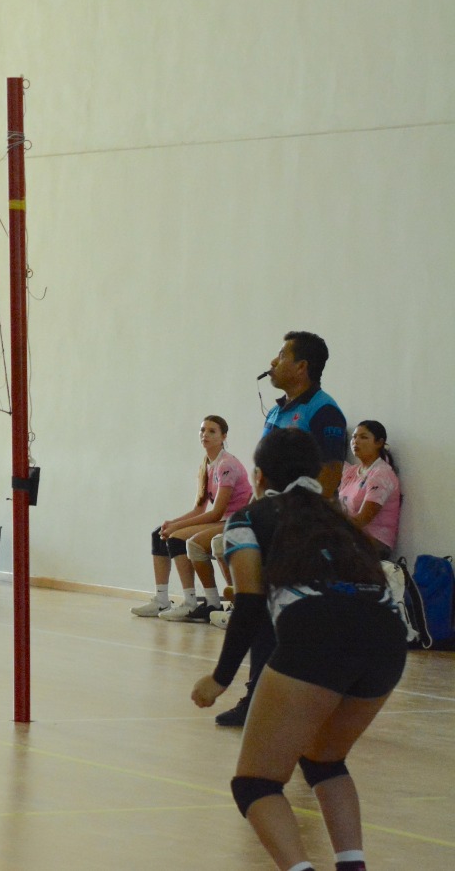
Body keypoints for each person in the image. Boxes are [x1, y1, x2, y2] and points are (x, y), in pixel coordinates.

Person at [191, 428, 403, 871]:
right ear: (317, 473)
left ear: (259, 474)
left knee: (255, 784)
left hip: (318, 634)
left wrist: (220, 678)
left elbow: (248, 602)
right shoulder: (341, 518)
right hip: (387, 638)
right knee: (326, 760)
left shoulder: (247, 520)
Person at [218, 330, 349, 727]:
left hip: (301, 532)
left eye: (280, 356)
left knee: (293, 621)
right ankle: (260, 696)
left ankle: (302, 701)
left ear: (302, 366)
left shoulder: (324, 412)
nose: (272, 363)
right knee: (263, 618)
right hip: (270, 524)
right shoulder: (277, 411)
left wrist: (294, 525)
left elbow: (328, 478)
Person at [131, 416, 251, 622]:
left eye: (212, 431)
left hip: (234, 521)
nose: (205, 434)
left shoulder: (226, 465)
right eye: (202, 430)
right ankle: (161, 599)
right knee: (159, 533)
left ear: (224, 436)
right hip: (220, 520)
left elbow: (216, 512)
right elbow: (199, 509)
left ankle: (192, 602)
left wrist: (177, 527)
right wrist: (172, 523)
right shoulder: (207, 463)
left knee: (178, 538)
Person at [338, 421, 401, 560]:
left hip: (375, 542)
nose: (356, 441)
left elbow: (362, 520)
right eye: (354, 437)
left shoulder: (381, 474)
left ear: (379, 443)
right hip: (351, 536)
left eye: (363, 437)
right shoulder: (352, 471)